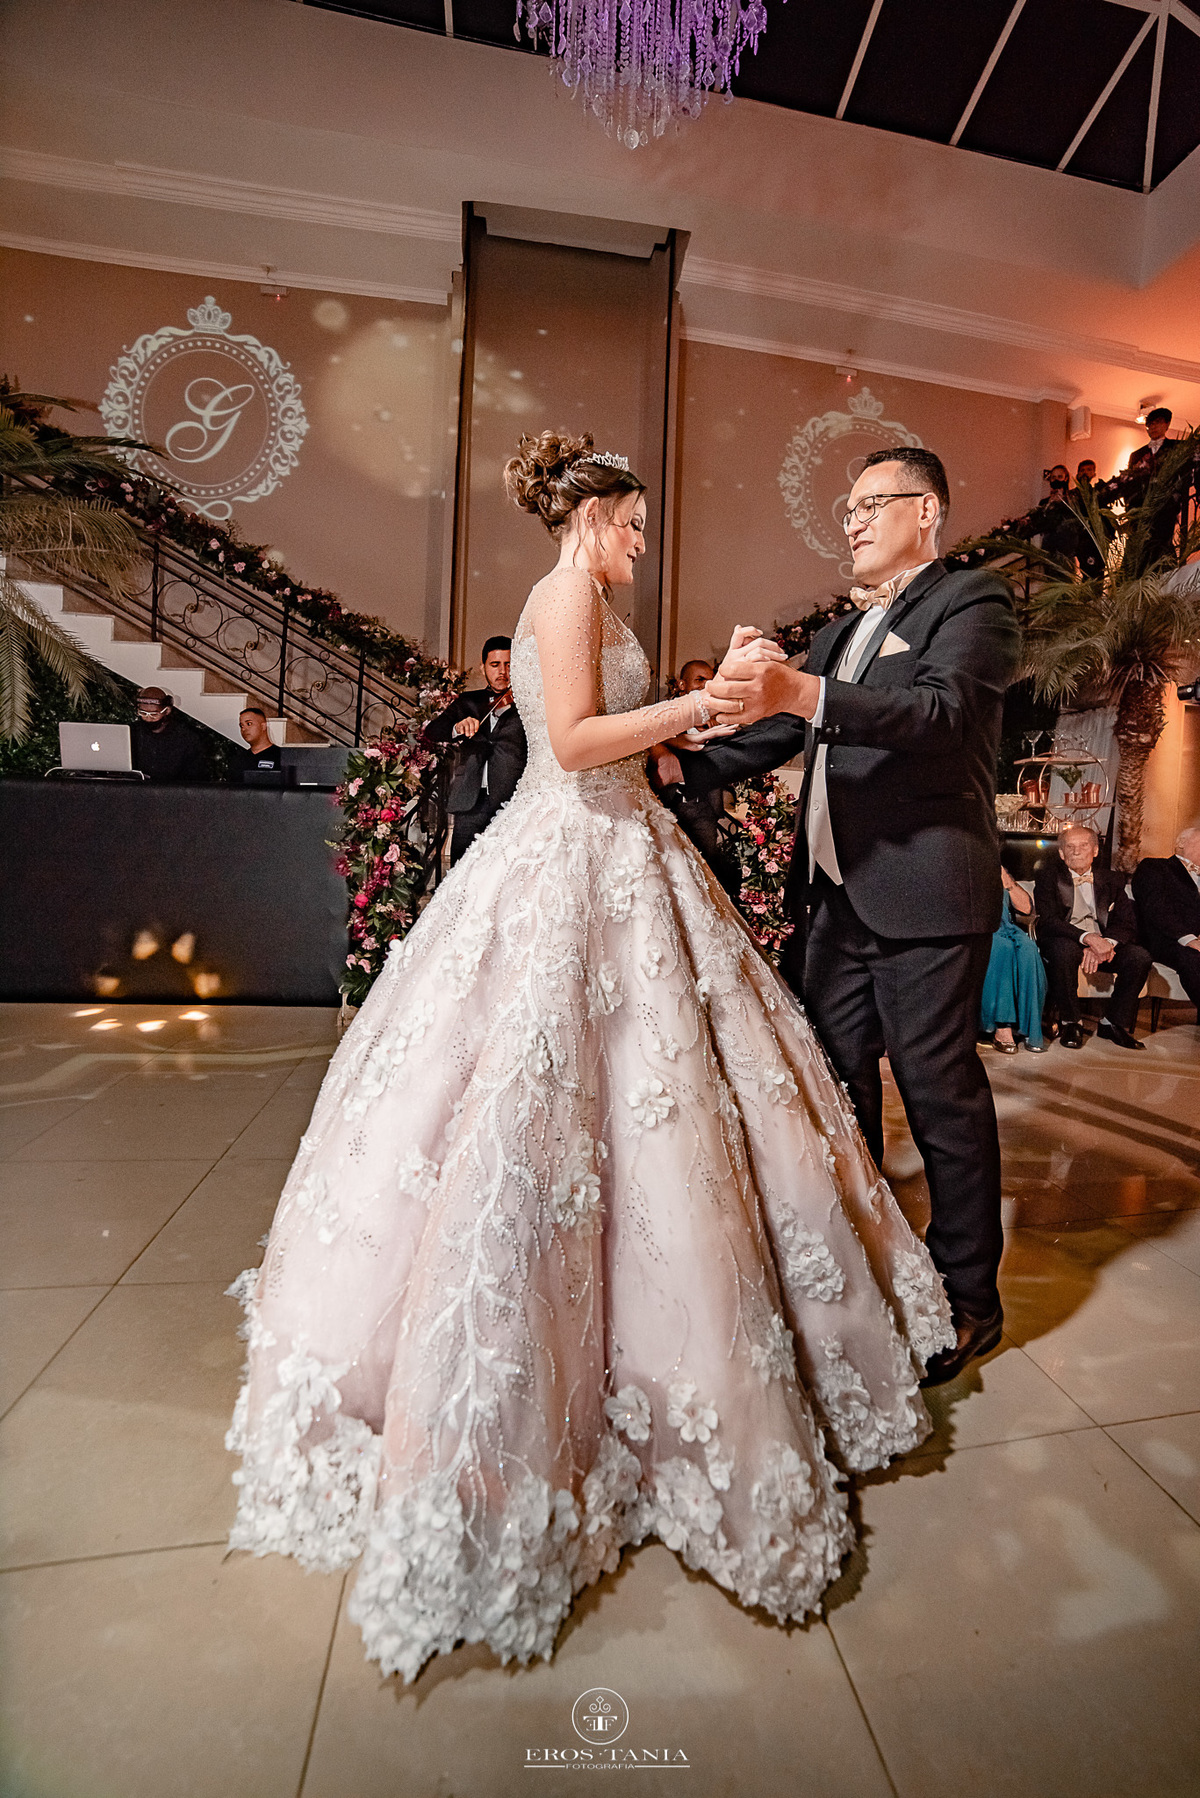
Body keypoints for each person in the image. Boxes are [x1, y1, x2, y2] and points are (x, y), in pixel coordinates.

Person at [228, 429, 953, 1685]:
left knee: (665, 1101)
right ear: (590, 516)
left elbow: (628, 741)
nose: (639, 543)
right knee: (540, 1103)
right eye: (631, 523)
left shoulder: (596, 604)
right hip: (567, 853)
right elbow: (570, 742)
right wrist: (701, 704)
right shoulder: (563, 595)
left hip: (628, 848)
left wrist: (706, 711)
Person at [684, 444, 1021, 1386]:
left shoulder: (974, 602)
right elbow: (776, 733)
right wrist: (670, 763)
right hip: (834, 898)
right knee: (836, 1092)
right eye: (848, 509)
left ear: (928, 511)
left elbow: (940, 717)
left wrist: (800, 689)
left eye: (873, 503)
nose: (854, 521)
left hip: (924, 897)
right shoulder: (839, 631)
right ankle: (869, 1264)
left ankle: (969, 1296)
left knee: (940, 1097)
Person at [1034, 824, 1151, 1050]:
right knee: (1063, 952)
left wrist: (1106, 943)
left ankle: (1112, 1023)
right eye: (1070, 847)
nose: (1076, 851)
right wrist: (1087, 938)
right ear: (1061, 853)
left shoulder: (1113, 880)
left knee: (1139, 957)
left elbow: (1127, 924)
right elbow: (1049, 921)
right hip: (1066, 939)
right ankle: (1071, 1022)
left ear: (1095, 851)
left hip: (1103, 942)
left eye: (1083, 845)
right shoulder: (1047, 877)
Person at [423, 636, 527, 863]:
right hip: (470, 800)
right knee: (461, 868)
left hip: (512, 800)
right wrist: (457, 727)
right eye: (495, 665)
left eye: (509, 665)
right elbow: (432, 731)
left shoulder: (528, 704)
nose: (502, 672)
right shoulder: (468, 701)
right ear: (483, 668)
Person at [647, 658, 740, 896]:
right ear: (682, 684)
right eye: (699, 679)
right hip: (670, 804)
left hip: (704, 808)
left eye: (709, 680)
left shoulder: (718, 715)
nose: (705, 685)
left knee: (705, 870)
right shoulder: (664, 713)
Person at [980, 860, 1048, 1052]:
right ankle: (1002, 1028)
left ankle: (1030, 1030)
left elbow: (1026, 909)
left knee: (1028, 948)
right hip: (982, 929)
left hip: (1006, 927)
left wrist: (1007, 882)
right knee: (1003, 948)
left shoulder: (998, 868)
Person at [1131, 825, 1200, 1010]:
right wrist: (1189, 939)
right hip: (1168, 941)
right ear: (1181, 843)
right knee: (1193, 957)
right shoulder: (1155, 867)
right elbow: (1156, 908)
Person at [130, 686, 210, 783]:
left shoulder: (186, 738)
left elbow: (196, 776)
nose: (148, 718)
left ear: (167, 711)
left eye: (154, 714)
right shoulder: (131, 732)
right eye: (143, 713)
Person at [234, 705, 283, 780]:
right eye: (241, 726)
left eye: (249, 724)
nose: (244, 729)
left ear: (263, 726)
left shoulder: (281, 757)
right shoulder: (239, 760)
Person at [1127, 407, 1173, 474]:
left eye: (1157, 422)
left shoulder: (1177, 446)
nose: (1153, 427)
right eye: (1150, 424)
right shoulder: (1136, 455)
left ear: (1167, 424)